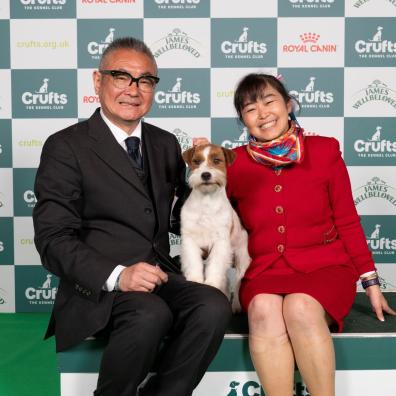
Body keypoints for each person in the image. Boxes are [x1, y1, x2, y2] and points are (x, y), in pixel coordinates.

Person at [33, 37, 231, 396]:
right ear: (98, 81)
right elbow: (52, 239)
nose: (133, 90)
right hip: (100, 288)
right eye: (121, 76)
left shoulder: (165, 143)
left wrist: (207, 179)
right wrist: (119, 275)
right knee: (149, 313)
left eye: (145, 81)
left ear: (154, 87)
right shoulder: (65, 146)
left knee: (213, 305)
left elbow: (176, 219)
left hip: (160, 275)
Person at [226, 73, 396, 396]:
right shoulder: (233, 164)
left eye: (269, 101)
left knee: (300, 308)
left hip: (325, 268)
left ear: (288, 105)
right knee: (262, 310)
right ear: (243, 120)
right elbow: (213, 220)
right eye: (250, 109)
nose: (262, 114)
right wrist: (203, 169)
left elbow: (346, 221)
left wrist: (371, 283)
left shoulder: (324, 151)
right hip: (263, 272)